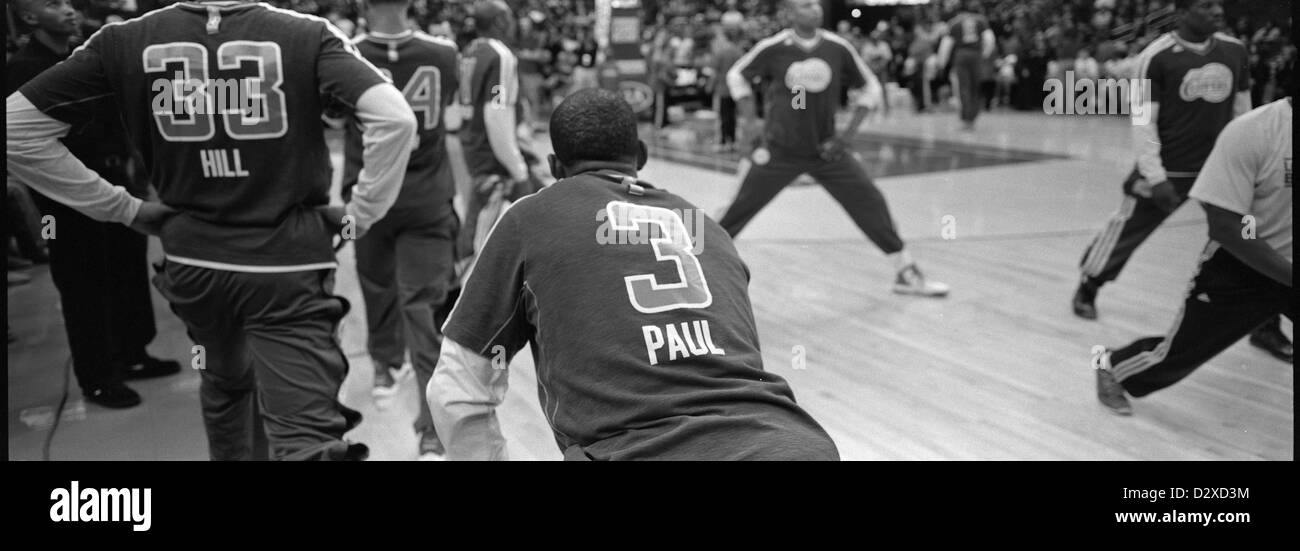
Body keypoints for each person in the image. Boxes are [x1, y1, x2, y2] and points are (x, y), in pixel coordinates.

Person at [7, 0, 417, 460]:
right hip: (286, 266)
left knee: (225, 386)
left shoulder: (121, 40)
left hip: (195, 266)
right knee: (304, 434)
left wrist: (121, 208)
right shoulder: (307, 34)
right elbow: (395, 118)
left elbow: (14, 129)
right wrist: (358, 216)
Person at [427, 88, 840, 461]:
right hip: (796, 444)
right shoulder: (707, 227)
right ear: (640, 156)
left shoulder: (529, 218)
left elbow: (456, 388)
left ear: (554, 166)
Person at [1072, 0, 1291, 361]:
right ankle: (1089, 284)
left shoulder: (1234, 51)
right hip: (1169, 169)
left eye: (1220, 6)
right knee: (1128, 228)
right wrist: (1154, 176)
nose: (1219, 12)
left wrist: (1257, 164)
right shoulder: (1155, 57)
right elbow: (1143, 121)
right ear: (1183, 12)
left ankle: (1265, 325)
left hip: (1224, 171)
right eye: (1207, 6)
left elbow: (1245, 111)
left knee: (1259, 238)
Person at [7, 0, 180, 409]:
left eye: (68, 3)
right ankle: (98, 376)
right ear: (30, 17)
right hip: (64, 192)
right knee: (84, 281)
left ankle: (133, 352)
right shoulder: (23, 67)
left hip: (114, 173)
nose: (67, 10)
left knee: (126, 266)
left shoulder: (86, 55)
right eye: (53, 5)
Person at [720, 0, 948, 297]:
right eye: (805, 5)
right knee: (735, 211)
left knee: (870, 201)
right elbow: (737, 75)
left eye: (816, 4)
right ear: (790, 12)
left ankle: (905, 272)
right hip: (779, 150)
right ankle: (691, 266)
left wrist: (847, 136)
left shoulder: (837, 48)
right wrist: (750, 122)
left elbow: (871, 87)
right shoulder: (774, 47)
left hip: (826, 151)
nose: (814, 9)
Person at [1095, 97, 1292, 415]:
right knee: (1175, 355)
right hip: (1241, 270)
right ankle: (1110, 364)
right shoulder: (1253, 131)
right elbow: (1227, 225)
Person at [338, 0, 460, 460]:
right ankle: (431, 432)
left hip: (368, 198)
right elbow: (450, 118)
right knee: (424, 313)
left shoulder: (342, 51)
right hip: (426, 198)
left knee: (375, 287)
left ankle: (386, 368)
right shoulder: (445, 53)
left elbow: (333, 119)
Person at [456, 0, 531, 265]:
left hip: (473, 148)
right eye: (509, 17)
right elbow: (496, 113)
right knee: (478, 250)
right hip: (494, 159)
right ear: (500, 21)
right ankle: (463, 299)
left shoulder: (470, 51)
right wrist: (518, 168)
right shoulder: (500, 55)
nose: (514, 23)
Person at [936, 0, 995, 130]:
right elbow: (990, 40)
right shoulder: (981, 20)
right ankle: (972, 117)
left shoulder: (954, 22)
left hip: (961, 55)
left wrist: (941, 63)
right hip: (976, 55)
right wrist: (985, 54)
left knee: (964, 87)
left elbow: (945, 45)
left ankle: (966, 119)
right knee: (975, 86)